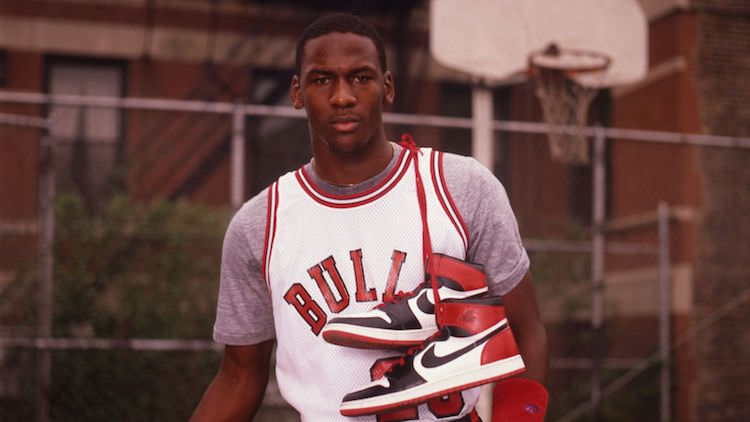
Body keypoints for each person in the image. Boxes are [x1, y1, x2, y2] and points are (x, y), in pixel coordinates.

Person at [191, 13, 548, 422]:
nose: (343, 96)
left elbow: (526, 331)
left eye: (361, 77)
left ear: (388, 87)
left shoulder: (459, 187)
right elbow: (239, 376)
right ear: (297, 92)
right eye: (322, 80)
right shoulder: (260, 225)